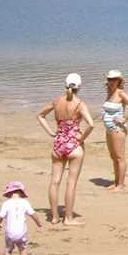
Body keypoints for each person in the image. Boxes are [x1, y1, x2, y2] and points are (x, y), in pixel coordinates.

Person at [36, 73, 94, 225]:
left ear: (65, 85)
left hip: (58, 143)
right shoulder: (79, 103)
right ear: (79, 87)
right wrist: (81, 139)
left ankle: (54, 217)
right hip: (74, 145)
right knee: (71, 183)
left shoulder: (57, 102)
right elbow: (91, 124)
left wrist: (50, 132)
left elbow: (40, 115)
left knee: (54, 182)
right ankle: (68, 218)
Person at [102, 69, 128, 191]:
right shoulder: (109, 93)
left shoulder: (121, 93)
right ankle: (116, 182)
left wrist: (124, 119)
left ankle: (121, 185)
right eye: (109, 79)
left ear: (119, 81)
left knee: (119, 157)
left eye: (114, 79)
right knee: (113, 157)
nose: (111, 81)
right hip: (109, 129)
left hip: (118, 129)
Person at [0, 181, 41, 254]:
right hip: (22, 233)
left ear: (9, 193)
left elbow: (0, 217)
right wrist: (39, 224)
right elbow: (33, 214)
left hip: (10, 233)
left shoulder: (6, 203)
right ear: (21, 193)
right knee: (23, 250)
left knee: (8, 250)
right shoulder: (25, 202)